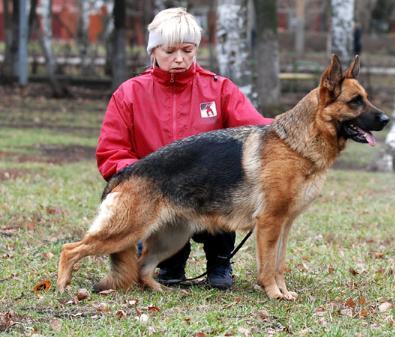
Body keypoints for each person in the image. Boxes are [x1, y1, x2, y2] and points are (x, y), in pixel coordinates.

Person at [96, 7, 271, 290]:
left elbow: (260, 129)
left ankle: (220, 262)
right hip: (158, 198)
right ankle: (169, 265)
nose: (179, 59)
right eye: (169, 51)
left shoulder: (219, 89)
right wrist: (140, 185)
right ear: (153, 50)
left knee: (228, 195)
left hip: (211, 195)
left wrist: (296, 128)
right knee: (165, 256)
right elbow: (111, 151)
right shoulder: (129, 94)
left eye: (187, 51)